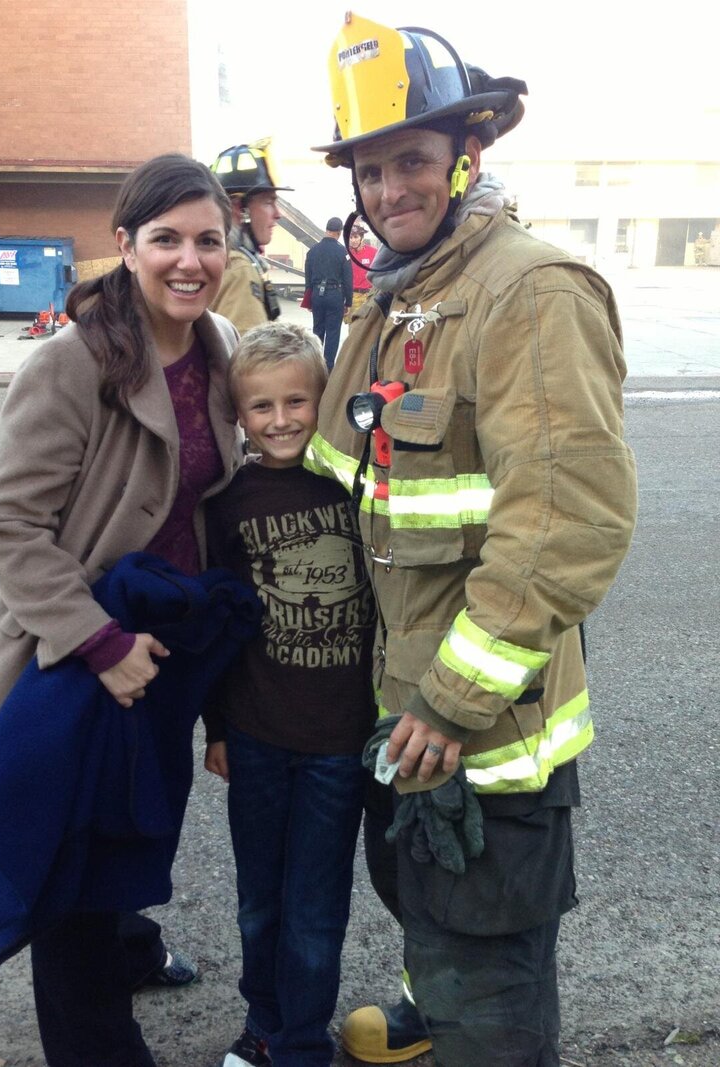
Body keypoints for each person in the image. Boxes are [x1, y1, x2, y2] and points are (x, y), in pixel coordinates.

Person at [305, 13, 638, 1066]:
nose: (388, 188)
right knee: (429, 923)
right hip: (403, 718)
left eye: (410, 160)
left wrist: (450, 700)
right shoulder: (400, 295)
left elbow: (564, 523)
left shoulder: (524, 289)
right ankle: (426, 1015)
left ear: (466, 155)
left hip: (478, 740)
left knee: (489, 984)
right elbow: (340, 482)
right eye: (369, 169)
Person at [0, 153, 245, 1067]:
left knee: (138, 818)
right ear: (124, 244)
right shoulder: (71, 363)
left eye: (208, 240)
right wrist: (98, 640)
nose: (188, 260)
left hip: (170, 644)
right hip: (81, 645)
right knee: (73, 855)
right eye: (166, 240)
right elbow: (8, 524)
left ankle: (130, 944)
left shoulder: (220, 347)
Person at [203, 320, 377, 1067]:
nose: (281, 420)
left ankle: (302, 1042)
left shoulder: (356, 490)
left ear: (324, 399)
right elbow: (219, 626)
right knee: (258, 902)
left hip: (341, 742)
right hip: (256, 737)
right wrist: (215, 728)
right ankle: (263, 1024)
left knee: (315, 907)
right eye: (261, 407)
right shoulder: (229, 503)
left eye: (297, 401)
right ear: (238, 416)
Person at [210, 140, 290, 333]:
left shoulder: (219, 259)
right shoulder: (240, 270)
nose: (277, 213)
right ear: (238, 207)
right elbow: (250, 361)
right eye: (268, 202)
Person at [303, 216, 352, 370]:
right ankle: (328, 367)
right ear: (339, 232)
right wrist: (348, 302)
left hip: (317, 294)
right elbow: (347, 279)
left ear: (326, 230)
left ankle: (315, 365)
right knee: (333, 332)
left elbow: (308, 278)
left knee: (317, 329)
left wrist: (309, 299)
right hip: (335, 295)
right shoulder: (343, 252)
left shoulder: (312, 251)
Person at [344, 222, 376, 323]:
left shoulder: (374, 253)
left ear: (362, 237)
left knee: (370, 326)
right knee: (353, 327)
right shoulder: (345, 254)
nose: (353, 240)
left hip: (370, 296)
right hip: (353, 297)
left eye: (356, 237)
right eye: (350, 237)